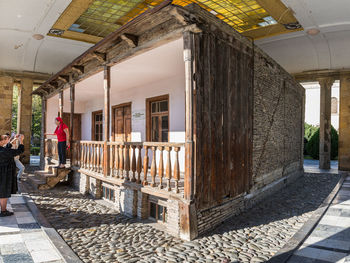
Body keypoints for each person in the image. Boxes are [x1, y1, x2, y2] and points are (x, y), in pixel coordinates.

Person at [0, 134, 24, 217]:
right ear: (1, 141)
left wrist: (14, 140)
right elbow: (19, 151)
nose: (7, 139)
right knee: (3, 192)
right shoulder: (3, 151)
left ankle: (3, 210)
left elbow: (7, 148)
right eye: (5, 138)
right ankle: (3, 211)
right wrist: (21, 141)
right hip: (3, 174)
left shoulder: (2, 150)